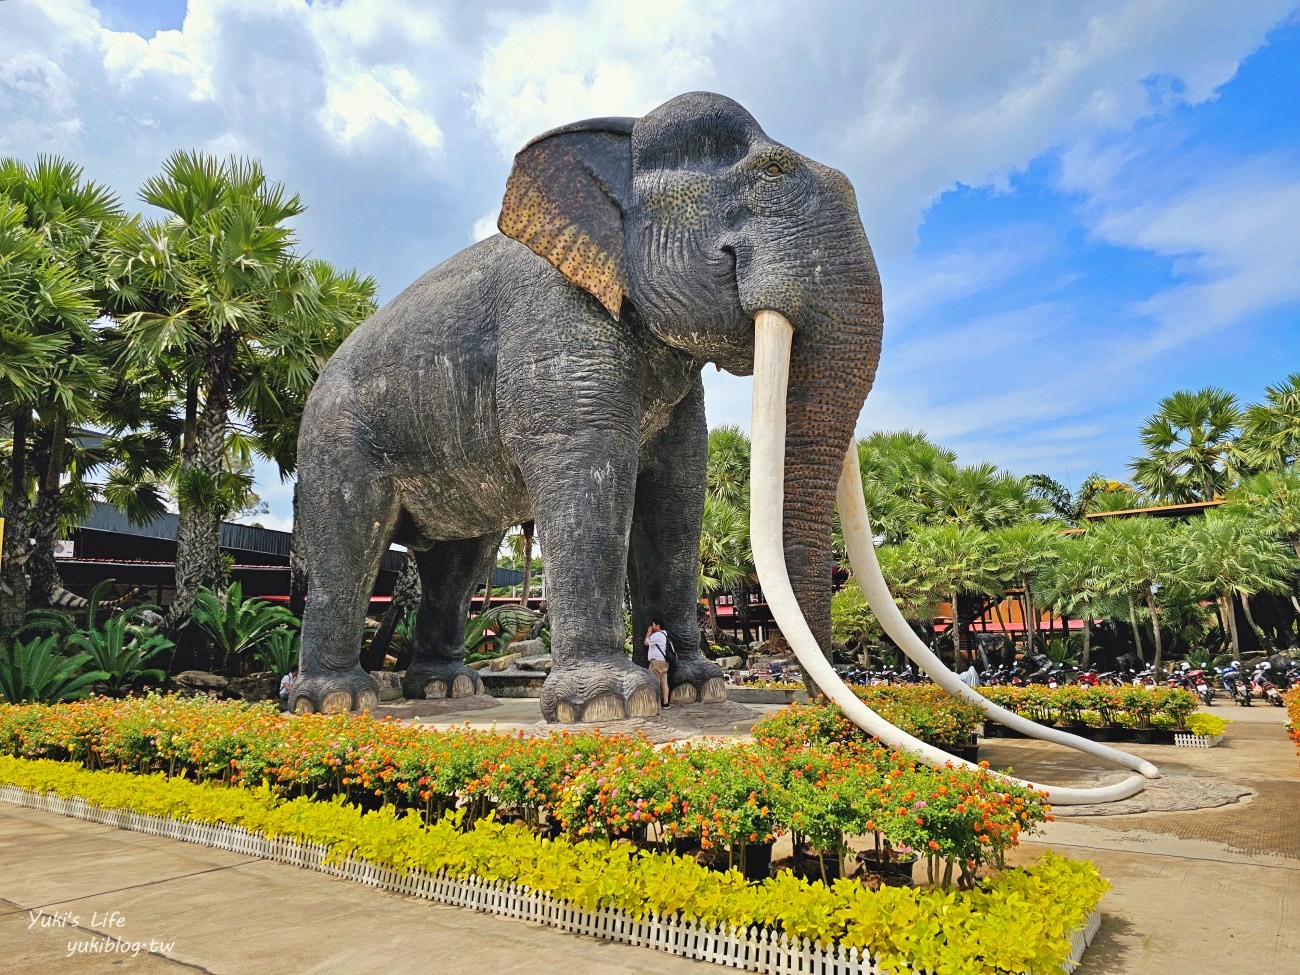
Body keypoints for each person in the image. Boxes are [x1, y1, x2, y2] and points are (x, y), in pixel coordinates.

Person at [644, 618, 670, 710]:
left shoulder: (658, 635)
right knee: (664, 683)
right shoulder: (664, 634)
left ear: (658, 626)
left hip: (657, 663)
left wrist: (649, 632)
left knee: (654, 682)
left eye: (653, 625)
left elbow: (646, 642)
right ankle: (666, 703)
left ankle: (655, 703)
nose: (652, 626)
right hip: (664, 662)